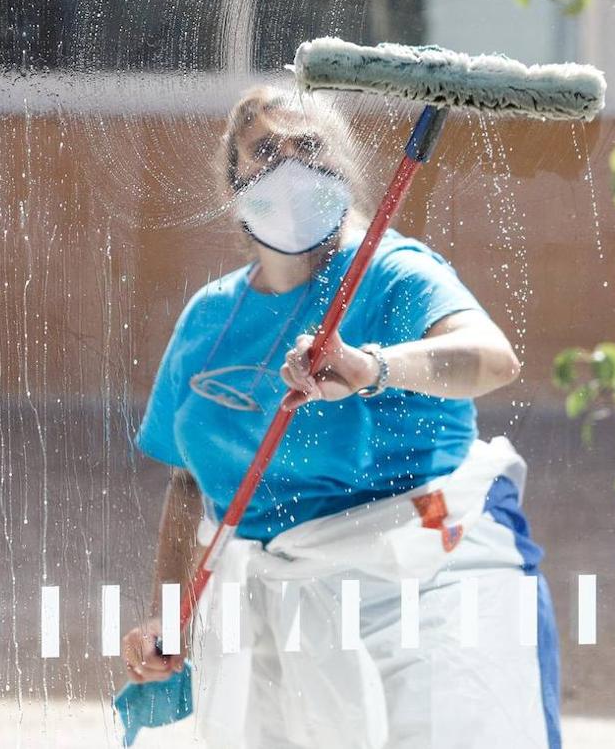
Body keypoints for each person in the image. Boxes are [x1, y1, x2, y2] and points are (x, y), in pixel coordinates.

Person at [121, 85, 561, 748]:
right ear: (233, 181)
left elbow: (492, 359)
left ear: (346, 169)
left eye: (310, 147)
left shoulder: (395, 274)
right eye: (266, 150)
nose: (289, 166)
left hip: (419, 586)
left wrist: (373, 368)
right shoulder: (210, 318)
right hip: (275, 612)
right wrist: (171, 617)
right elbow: (190, 484)